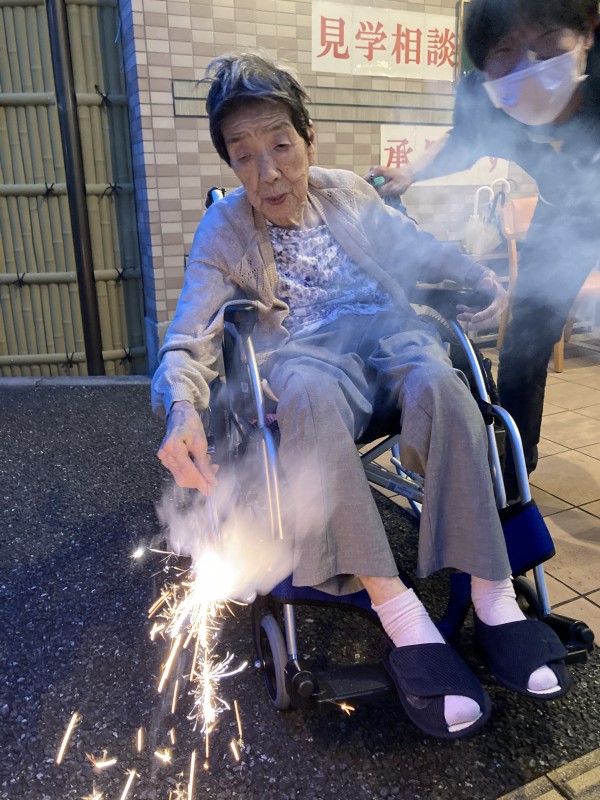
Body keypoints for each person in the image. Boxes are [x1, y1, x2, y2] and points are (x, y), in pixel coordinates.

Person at [151, 52, 571, 740]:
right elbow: (188, 335)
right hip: (307, 353)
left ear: (308, 140)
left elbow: (415, 244)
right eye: (244, 155)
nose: (267, 172)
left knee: (445, 385)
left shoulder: (346, 191)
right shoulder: (223, 229)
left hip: (390, 334)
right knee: (307, 396)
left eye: (280, 146)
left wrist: (478, 276)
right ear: (229, 163)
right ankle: (402, 615)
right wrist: (183, 408)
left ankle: (495, 598)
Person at [368, 0, 600, 500]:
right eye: (506, 53)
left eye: (547, 45)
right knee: (523, 344)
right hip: (564, 214)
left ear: (588, 30)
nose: (528, 68)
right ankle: (513, 475)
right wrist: (410, 173)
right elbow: (461, 142)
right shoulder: (483, 94)